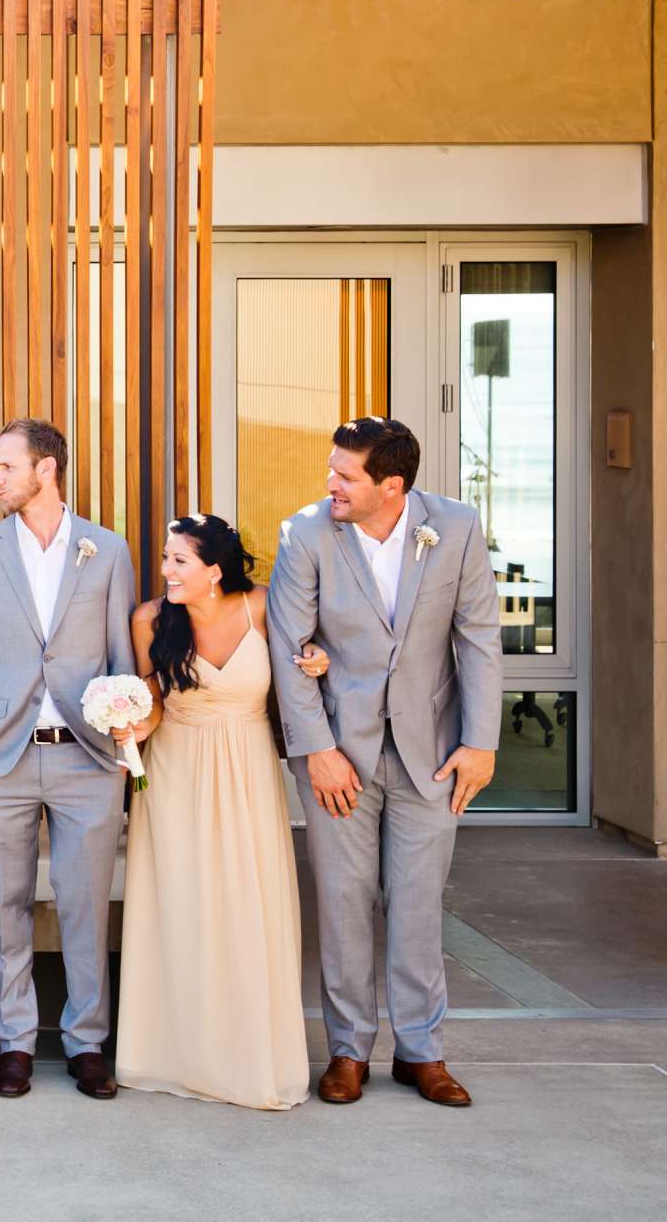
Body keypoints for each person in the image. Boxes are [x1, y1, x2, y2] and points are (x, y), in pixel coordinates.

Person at [267, 416, 503, 1109]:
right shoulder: (306, 533)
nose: (329, 484)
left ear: (391, 486)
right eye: (332, 469)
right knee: (342, 904)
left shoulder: (454, 527)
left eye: (346, 475)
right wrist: (316, 750)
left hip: (433, 753)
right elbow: (290, 645)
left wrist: (481, 741)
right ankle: (347, 1051)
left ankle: (421, 1052)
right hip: (340, 754)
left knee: (419, 904)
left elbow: (479, 638)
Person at [0, 417, 137, 1100]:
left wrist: (121, 746)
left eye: (6, 467)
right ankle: (16, 1042)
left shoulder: (106, 550)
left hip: (87, 758)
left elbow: (120, 654)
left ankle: (88, 1043)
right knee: (6, 905)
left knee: (87, 905)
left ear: (46, 469)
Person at [114, 514, 311, 1111]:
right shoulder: (150, 619)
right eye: (166, 558)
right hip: (174, 773)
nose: (166, 570)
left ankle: (247, 1057)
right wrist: (127, 725)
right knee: (180, 905)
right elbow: (150, 705)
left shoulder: (263, 606)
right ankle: (170, 1054)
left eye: (179, 560)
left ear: (214, 569)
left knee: (247, 903)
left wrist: (317, 659)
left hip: (248, 770)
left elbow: (305, 667)